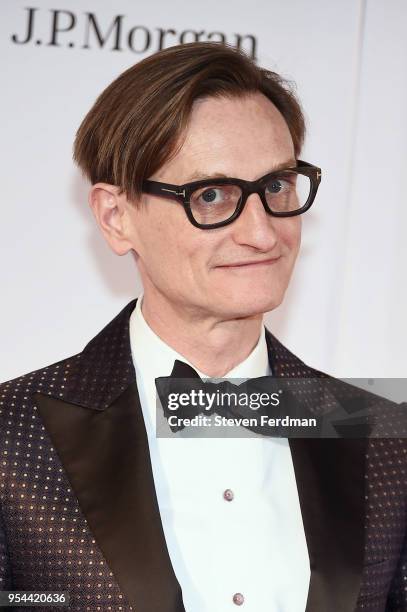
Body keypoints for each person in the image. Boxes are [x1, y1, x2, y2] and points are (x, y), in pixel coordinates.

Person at [0, 42, 406, 612]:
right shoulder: (12, 434)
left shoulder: (385, 436)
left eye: (276, 187)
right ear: (117, 218)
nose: (263, 234)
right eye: (211, 196)